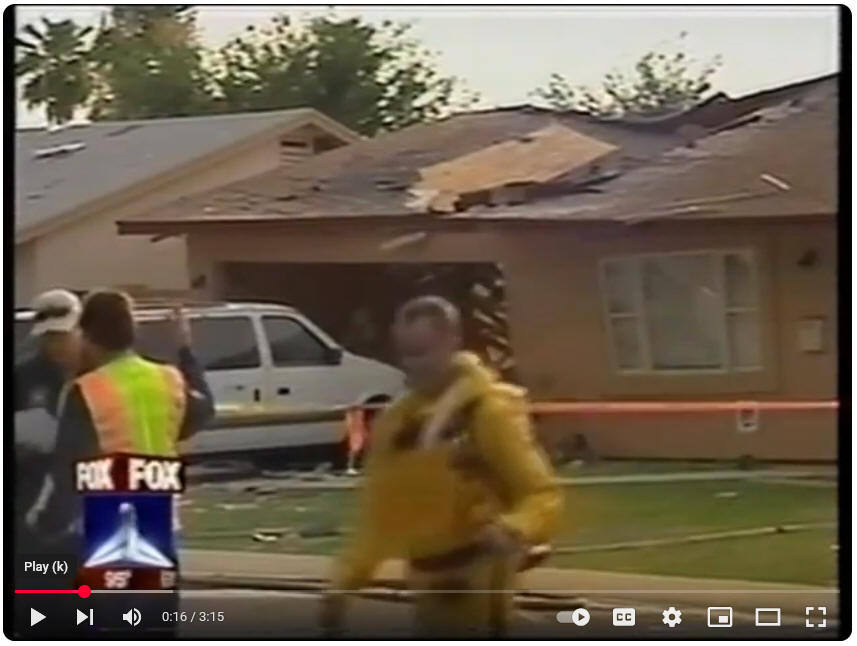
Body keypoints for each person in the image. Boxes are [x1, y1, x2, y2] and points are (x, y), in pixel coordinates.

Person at [322, 295, 563, 637]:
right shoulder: (396, 424)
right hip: (427, 585)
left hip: (479, 578)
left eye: (422, 352)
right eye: (405, 354)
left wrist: (516, 528)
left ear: (451, 343)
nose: (412, 365)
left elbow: (541, 493)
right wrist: (344, 584)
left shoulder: (488, 412)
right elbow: (379, 515)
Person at [28, 289, 215, 554]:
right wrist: (185, 350)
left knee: (110, 592)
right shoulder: (168, 379)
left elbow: (69, 472)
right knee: (155, 592)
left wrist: (45, 526)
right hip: (161, 521)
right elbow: (204, 409)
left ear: (88, 337)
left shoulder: (87, 389)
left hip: (109, 526)